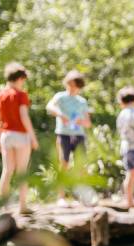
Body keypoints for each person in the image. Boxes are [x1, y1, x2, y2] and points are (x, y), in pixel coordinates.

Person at [0, 63, 38, 214]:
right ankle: (22, 207)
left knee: (7, 170)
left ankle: (4, 208)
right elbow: (24, 117)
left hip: (6, 136)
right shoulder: (20, 95)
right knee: (21, 172)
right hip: (20, 135)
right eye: (23, 79)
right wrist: (33, 137)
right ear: (19, 78)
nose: (23, 82)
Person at [45, 70, 92, 205]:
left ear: (79, 86)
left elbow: (88, 123)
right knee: (63, 164)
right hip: (63, 134)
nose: (71, 87)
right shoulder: (60, 97)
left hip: (79, 135)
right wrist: (61, 115)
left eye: (74, 85)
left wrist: (79, 121)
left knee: (81, 166)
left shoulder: (82, 101)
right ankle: (61, 197)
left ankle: (81, 197)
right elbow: (49, 106)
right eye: (69, 84)